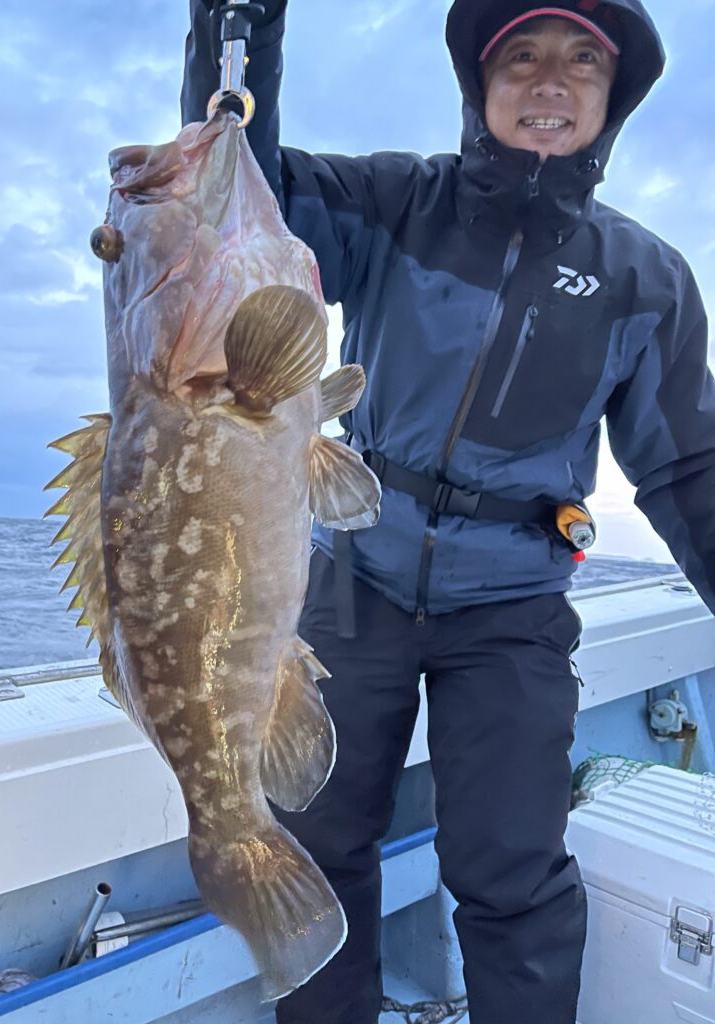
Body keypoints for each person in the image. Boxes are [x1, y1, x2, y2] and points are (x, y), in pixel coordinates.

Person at [181, 2, 715, 1022]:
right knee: (321, 842)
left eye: (580, 63)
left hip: (513, 606)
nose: (549, 85)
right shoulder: (396, 201)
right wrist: (235, 28)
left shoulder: (646, 280)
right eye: (522, 58)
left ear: (615, 95)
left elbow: (690, 470)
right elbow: (238, 193)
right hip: (353, 584)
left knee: (512, 872)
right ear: (480, 83)